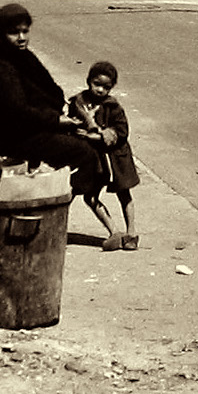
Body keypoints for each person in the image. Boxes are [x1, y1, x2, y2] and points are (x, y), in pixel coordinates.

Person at [0, 3, 105, 198]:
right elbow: (17, 111)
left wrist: (60, 114)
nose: (21, 38)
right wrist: (55, 120)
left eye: (25, 31)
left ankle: (54, 197)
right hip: (13, 137)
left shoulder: (23, 57)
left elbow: (50, 89)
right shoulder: (0, 66)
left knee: (95, 145)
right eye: (13, 33)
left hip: (33, 128)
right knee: (84, 153)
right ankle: (53, 203)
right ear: (1, 34)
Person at [70, 60, 140, 252]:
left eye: (106, 87)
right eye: (97, 84)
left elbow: (122, 131)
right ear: (88, 81)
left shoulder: (112, 106)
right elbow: (71, 122)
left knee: (124, 193)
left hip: (116, 158)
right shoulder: (78, 102)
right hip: (93, 159)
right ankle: (114, 232)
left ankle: (131, 234)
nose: (100, 90)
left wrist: (98, 135)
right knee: (89, 196)